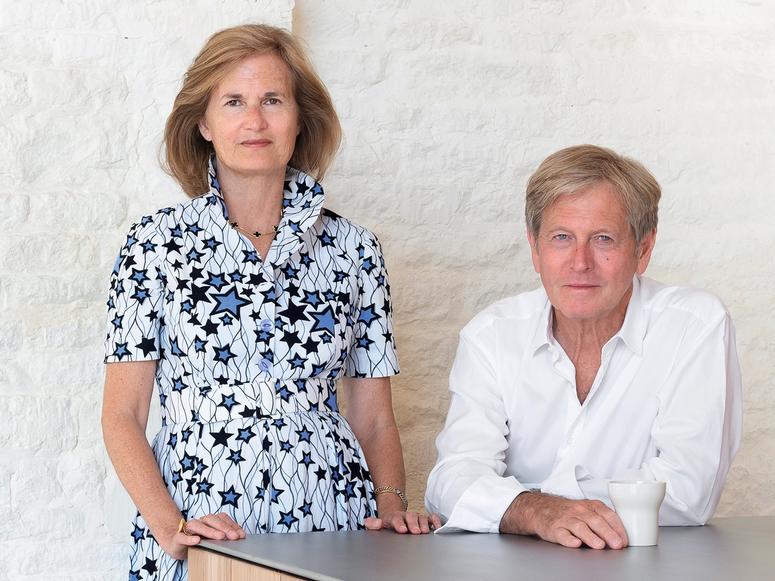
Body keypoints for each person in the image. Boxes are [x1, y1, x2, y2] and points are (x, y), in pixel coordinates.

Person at [102, 23, 439, 581]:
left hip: (336, 530)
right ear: (204, 123)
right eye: (234, 101)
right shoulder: (153, 247)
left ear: (300, 118)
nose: (254, 121)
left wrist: (392, 513)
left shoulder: (355, 250)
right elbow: (122, 415)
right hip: (202, 534)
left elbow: (374, 418)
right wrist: (170, 528)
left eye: (273, 101)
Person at [425, 144, 742, 550]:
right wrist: (538, 511)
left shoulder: (694, 325)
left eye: (603, 239)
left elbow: (686, 491)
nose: (580, 262)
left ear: (643, 250)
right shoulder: (491, 335)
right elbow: (451, 481)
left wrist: (525, 504)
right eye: (561, 238)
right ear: (534, 248)